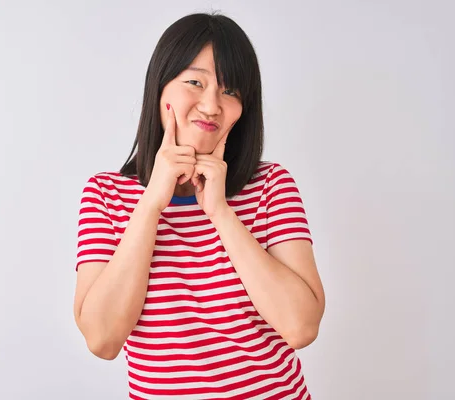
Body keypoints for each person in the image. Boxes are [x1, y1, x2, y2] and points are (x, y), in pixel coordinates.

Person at [73, 12, 325, 400]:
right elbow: (102, 339)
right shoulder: (106, 195)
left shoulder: (271, 186)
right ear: (161, 87)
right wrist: (151, 204)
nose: (211, 105)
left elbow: (301, 327)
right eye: (195, 82)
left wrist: (221, 212)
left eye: (231, 91)